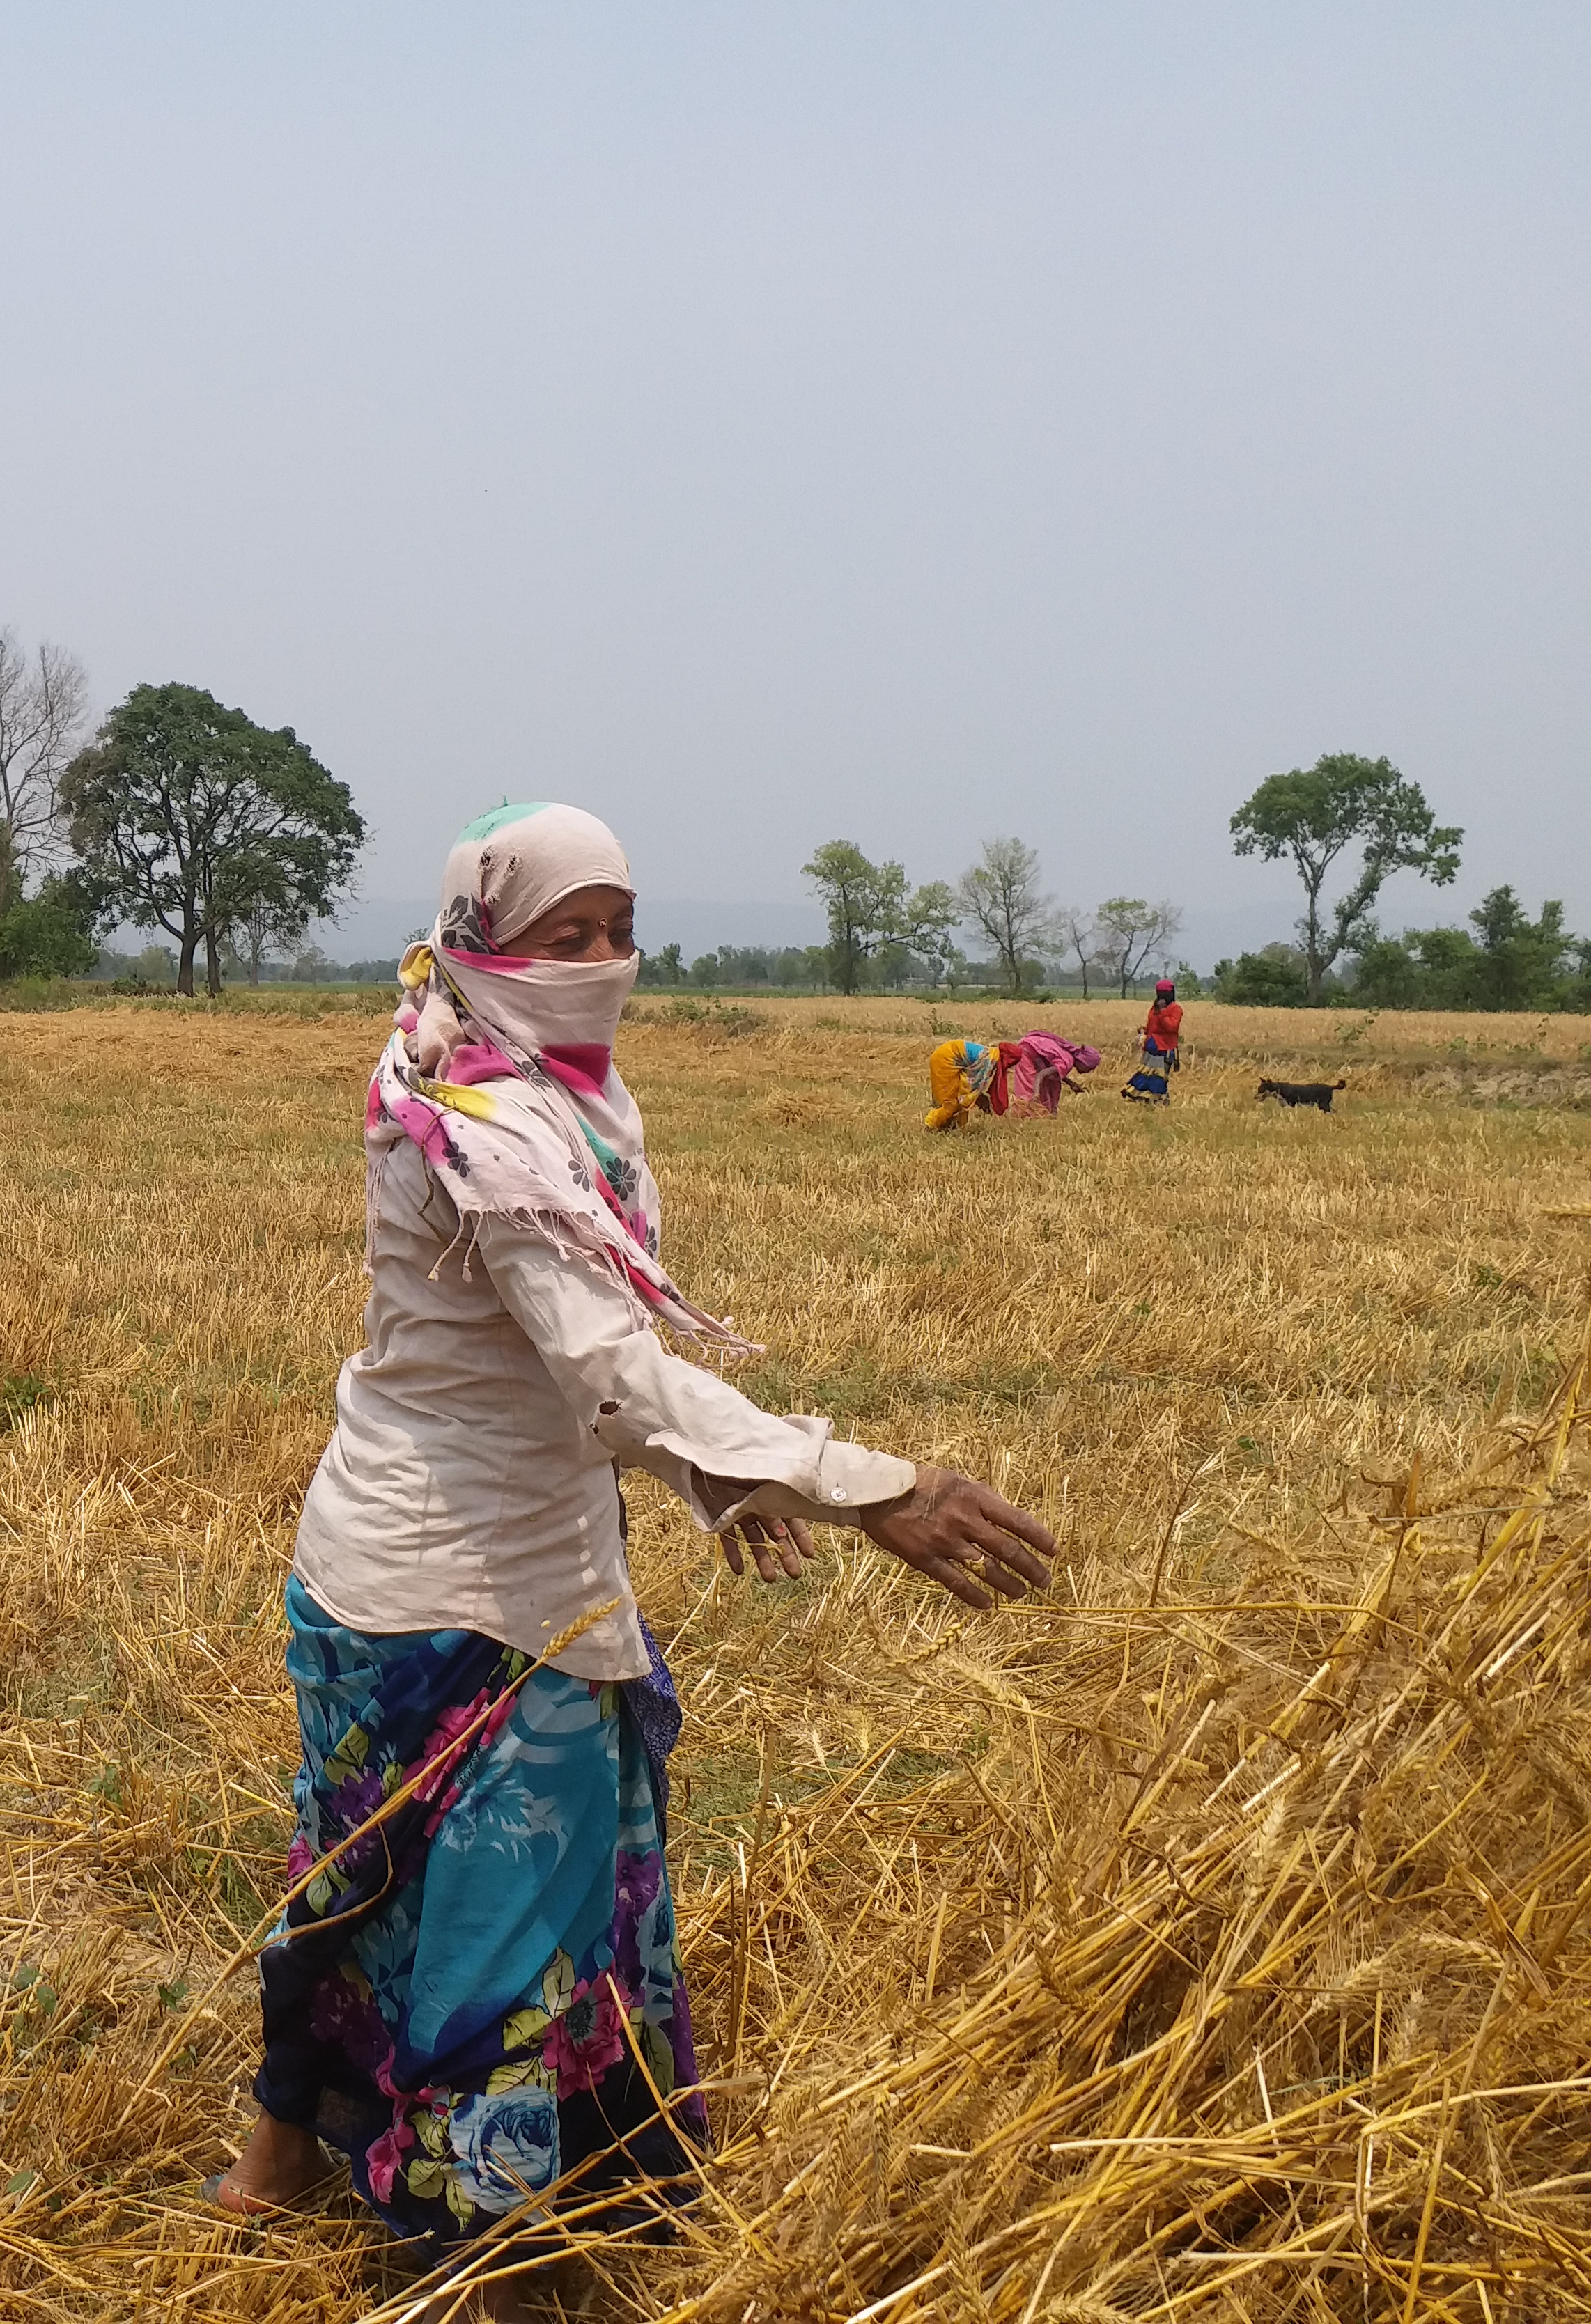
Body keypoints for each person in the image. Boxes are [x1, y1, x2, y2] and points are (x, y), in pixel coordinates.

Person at [210, 801, 1057, 2307]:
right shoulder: (488, 1115)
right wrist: (869, 1486)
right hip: (448, 1587)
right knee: (482, 1929)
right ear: (485, 947)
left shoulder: (491, 1068)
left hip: (463, 1558)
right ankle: (471, 2259)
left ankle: (284, 2154)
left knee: (361, 1865)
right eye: (564, 939)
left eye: (619, 933)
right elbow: (605, 1369)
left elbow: (584, 1377)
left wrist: (710, 1487)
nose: (602, 965)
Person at [1001, 1031, 1099, 1116]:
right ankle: (1025, 1114)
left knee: (1052, 1083)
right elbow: (1042, 1075)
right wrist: (1036, 1095)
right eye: (1089, 1068)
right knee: (1029, 1086)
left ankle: (1045, 1112)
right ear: (1084, 1062)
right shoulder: (1067, 1062)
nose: (1088, 1071)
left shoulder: (1067, 1057)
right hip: (1027, 1050)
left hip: (1033, 1047)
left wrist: (1071, 1084)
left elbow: (1056, 1072)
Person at [1124, 980, 1184, 1102]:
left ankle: (1161, 1100)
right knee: (1146, 1074)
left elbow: (1172, 1028)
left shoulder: (1176, 1009)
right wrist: (1144, 1030)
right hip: (1152, 1047)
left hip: (1165, 1049)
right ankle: (1146, 1099)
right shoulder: (1154, 1008)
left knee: (1160, 1076)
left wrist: (1162, 1012)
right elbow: (1152, 1026)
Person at [924, 1036, 999, 1130]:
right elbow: (972, 1083)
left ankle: (954, 1128)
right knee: (950, 1103)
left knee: (959, 1100)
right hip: (945, 1059)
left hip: (949, 1057)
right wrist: (975, 1100)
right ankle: (931, 1125)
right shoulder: (988, 1060)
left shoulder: (991, 1055)